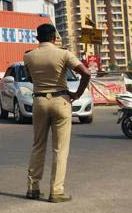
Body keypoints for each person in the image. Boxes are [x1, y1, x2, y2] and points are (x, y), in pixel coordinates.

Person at [23, 24, 91, 203]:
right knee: (60, 149)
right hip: (61, 100)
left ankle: (33, 187)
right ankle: (56, 190)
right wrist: (77, 94)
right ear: (54, 37)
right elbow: (85, 73)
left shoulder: (29, 56)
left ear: (38, 38)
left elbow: (30, 78)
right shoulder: (64, 54)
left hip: (39, 101)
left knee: (38, 145)